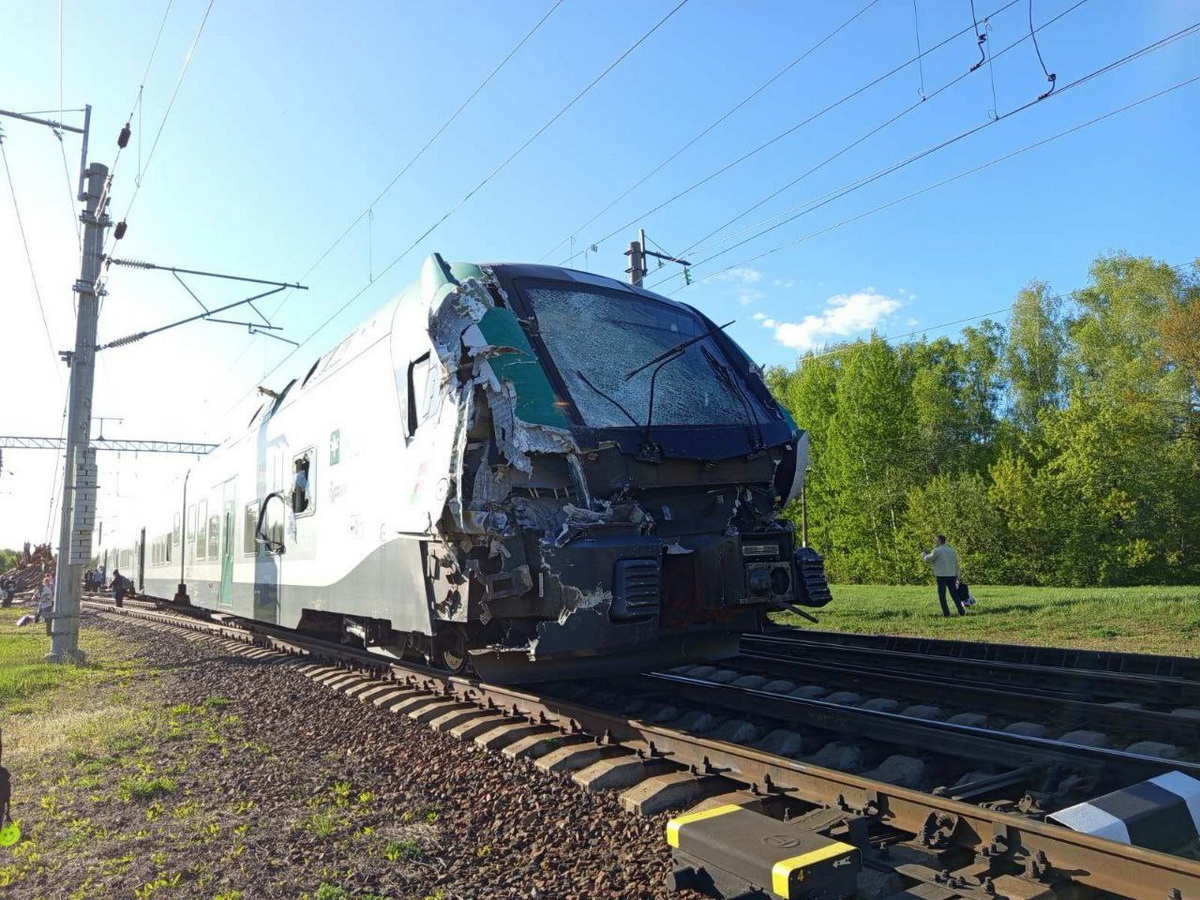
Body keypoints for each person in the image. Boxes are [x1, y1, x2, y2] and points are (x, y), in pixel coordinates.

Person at [922, 534, 964, 617]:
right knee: (954, 594)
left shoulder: (936, 550)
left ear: (939, 541)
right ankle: (961, 611)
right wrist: (958, 576)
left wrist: (923, 554)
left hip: (941, 576)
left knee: (942, 596)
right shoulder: (952, 550)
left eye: (935, 540)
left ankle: (946, 613)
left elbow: (928, 560)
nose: (934, 541)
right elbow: (956, 564)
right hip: (952, 575)